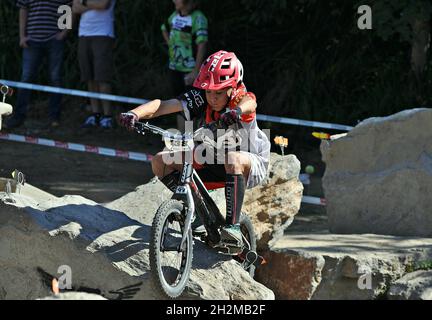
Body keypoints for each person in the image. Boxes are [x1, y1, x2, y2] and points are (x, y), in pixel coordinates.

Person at [119, 51, 271, 250]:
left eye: (218, 93)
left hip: (250, 164)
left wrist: (236, 112)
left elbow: (251, 103)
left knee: (232, 158)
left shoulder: (239, 98)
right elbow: (164, 106)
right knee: (160, 161)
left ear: (232, 88)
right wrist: (134, 114)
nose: (213, 98)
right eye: (209, 92)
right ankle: (197, 210)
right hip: (214, 158)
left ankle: (232, 227)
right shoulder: (202, 96)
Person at [4, 0, 72, 129]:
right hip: (32, 40)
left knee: (55, 78)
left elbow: (67, 8)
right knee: (26, 78)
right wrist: (22, 36)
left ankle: (54, 117)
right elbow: (23, 9)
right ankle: (18, 117)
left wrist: (64, 33)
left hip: (54, 40)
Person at [161, 0, 208, 132]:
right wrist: (171, 44)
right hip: (175, 68)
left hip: (190, 70)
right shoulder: (174, 15)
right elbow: (164, 28)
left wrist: (195, 71)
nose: (174, 0)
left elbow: (202, 45)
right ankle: (182, 142)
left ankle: (191, 143)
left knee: (192, 108)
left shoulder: (198, 18)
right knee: (179, 105)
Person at [72, 0, 116, 129]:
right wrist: (92, 5)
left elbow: (104, 5)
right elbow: (75, 8)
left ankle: (108, 116)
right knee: (89, 77)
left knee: (102, 77)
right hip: (84, 34)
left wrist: (84, 3)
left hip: (103, 34)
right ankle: (96, 114)